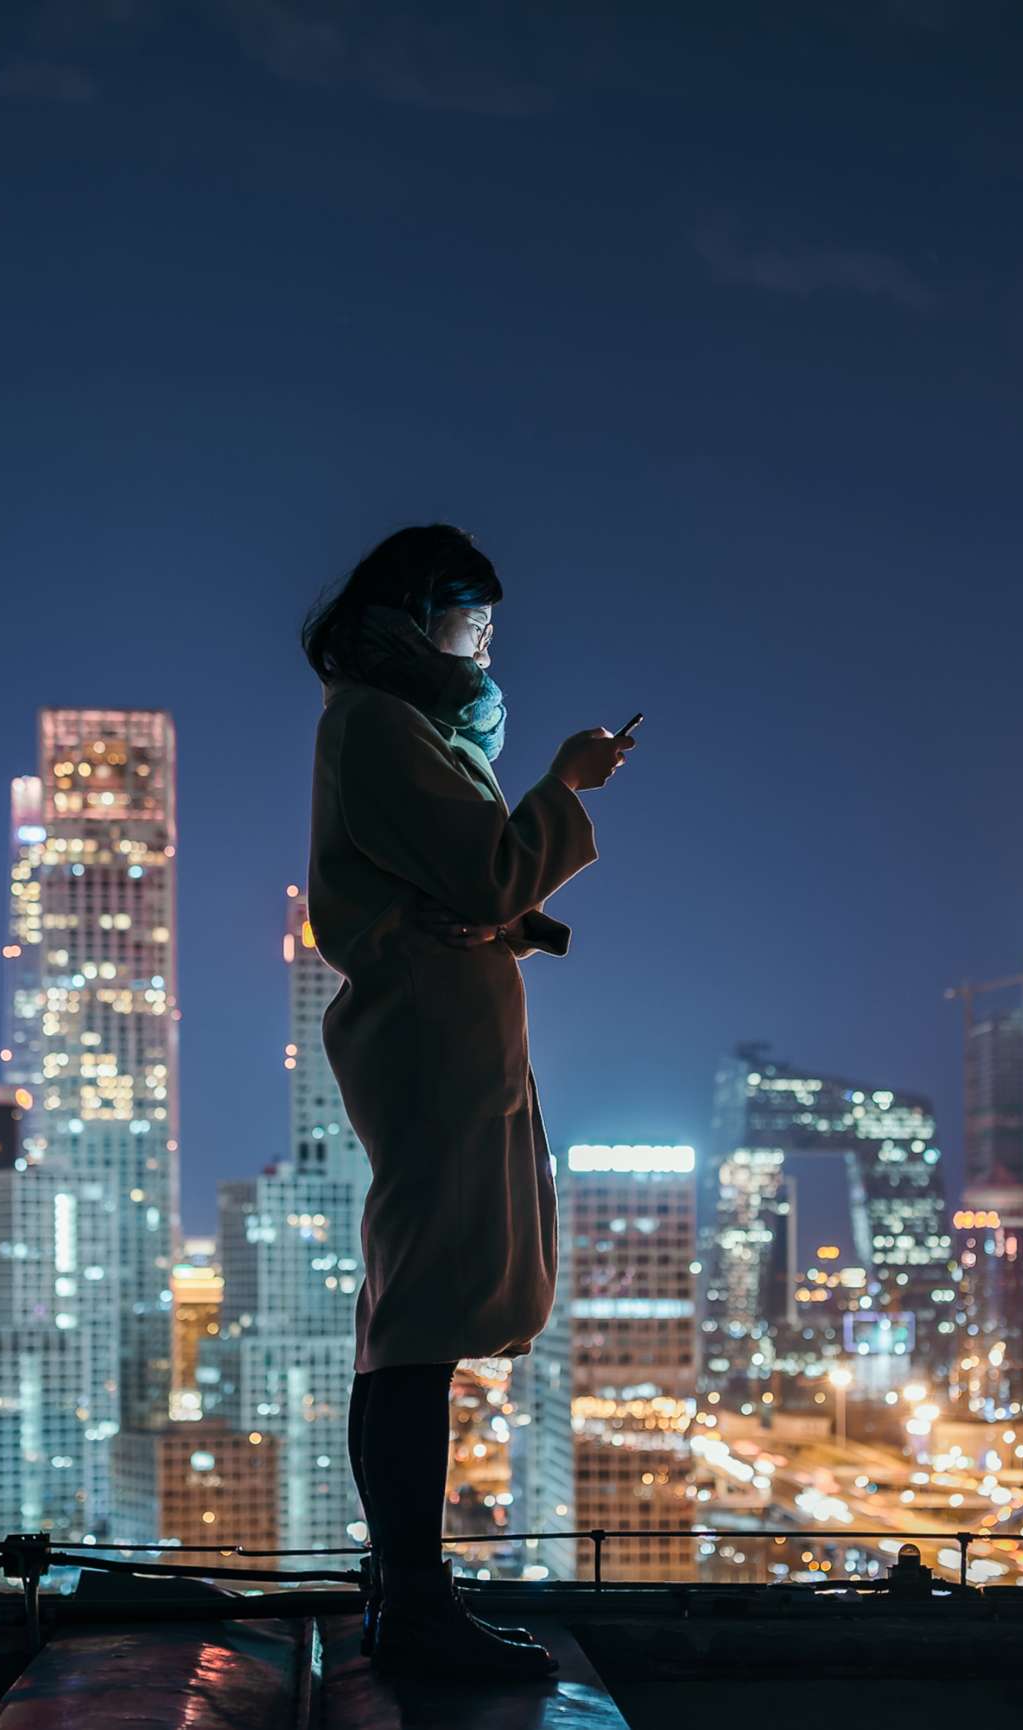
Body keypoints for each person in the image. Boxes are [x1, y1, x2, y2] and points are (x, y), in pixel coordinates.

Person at [300, 524, 634, 1680]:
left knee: (413, 1319)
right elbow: (486, 868)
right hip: (429, 1042)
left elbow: (467, 887)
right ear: (419, 610)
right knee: (417, 1326)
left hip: (448, 1033)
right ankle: (417, 1604)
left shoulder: (407, 725)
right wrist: (566, 784)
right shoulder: (376, 724)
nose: (491, 638)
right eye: (475, 616)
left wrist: (501, 914)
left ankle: (404, 1591)